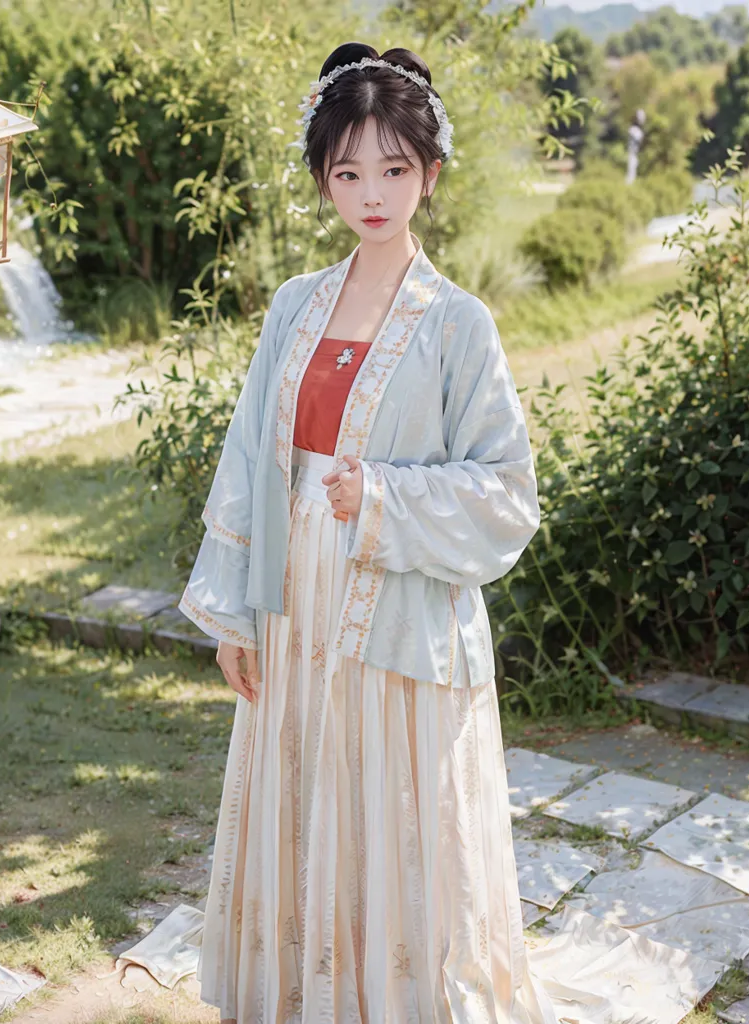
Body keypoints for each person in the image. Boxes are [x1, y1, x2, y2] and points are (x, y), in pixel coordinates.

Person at [178, 40, 571, 1024]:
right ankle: (304, 987)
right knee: (304, 785)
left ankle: (395, 993)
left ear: (429, 173)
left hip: (396, 607)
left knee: (391, 803)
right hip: (297, 599)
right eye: (349, 171)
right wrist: (238, 613)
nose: (373, 192)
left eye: (394, 168)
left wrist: (386, 498)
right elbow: (255, 471)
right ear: (324, 179)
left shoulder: (458, 325)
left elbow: (508, 491)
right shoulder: (293, 308)